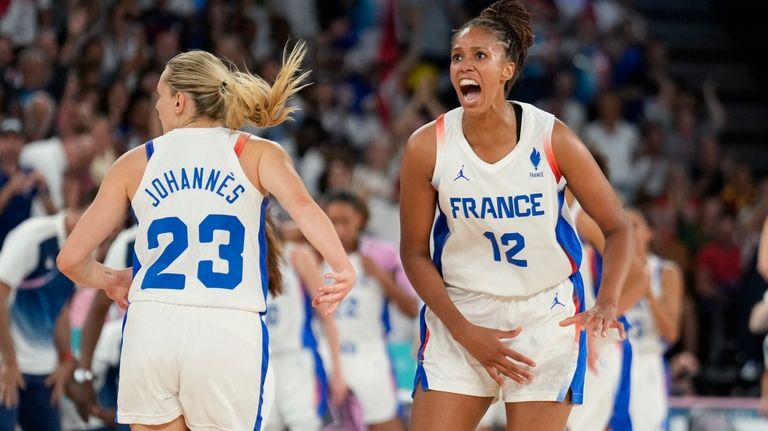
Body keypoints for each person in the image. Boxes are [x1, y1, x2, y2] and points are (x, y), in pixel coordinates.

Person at [56, 42, 356, 431]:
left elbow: (71, 259)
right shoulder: (257, 152)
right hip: (226, 327)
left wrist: (112, 279)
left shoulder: (134, 162)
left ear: (179, 100)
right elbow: (305, 208)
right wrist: (342, 266)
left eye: (159, 97)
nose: (158, 107)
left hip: (153, 325)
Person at [399, 1, 636, 430]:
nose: (463, 66)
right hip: (462, 310)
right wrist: (464, 330)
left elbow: (618, 227)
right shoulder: (426, 145)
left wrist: (608, 302)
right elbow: (414, 252)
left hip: (545, 314)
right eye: (457, 56)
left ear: (507, 69)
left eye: (479, 55)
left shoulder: (552, 137)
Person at [323, 189, 418, 430]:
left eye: (346, 221)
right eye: (332, 221)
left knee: (387, 424)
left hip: (370, 355)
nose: (339, 228)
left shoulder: (381, 254)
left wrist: (380, 276)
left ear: (361, 219)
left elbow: (411, 308)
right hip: (328, 356)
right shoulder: (314, 255)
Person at [0, 206, 86, 430]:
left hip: (43, 370)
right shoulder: (34, 235)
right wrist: (9, 361)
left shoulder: (87, 250)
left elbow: (59, 307)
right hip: (6, 367)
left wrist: (67, 359)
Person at [265, 219, 347, 431]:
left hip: (298, 359)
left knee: (305, 425)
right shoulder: (246, 261)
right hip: (263, 362)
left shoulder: (298, 257)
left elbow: (327, 317)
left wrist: (337, 371)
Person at [623, 208, 683, 430]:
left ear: (651, 233)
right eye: (622, 223)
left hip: (647, 359)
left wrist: (647, 293)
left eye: (635, 225)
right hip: (612, 356)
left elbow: (671, 333)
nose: (628, 230)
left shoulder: (665, 272)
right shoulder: (606, 268)